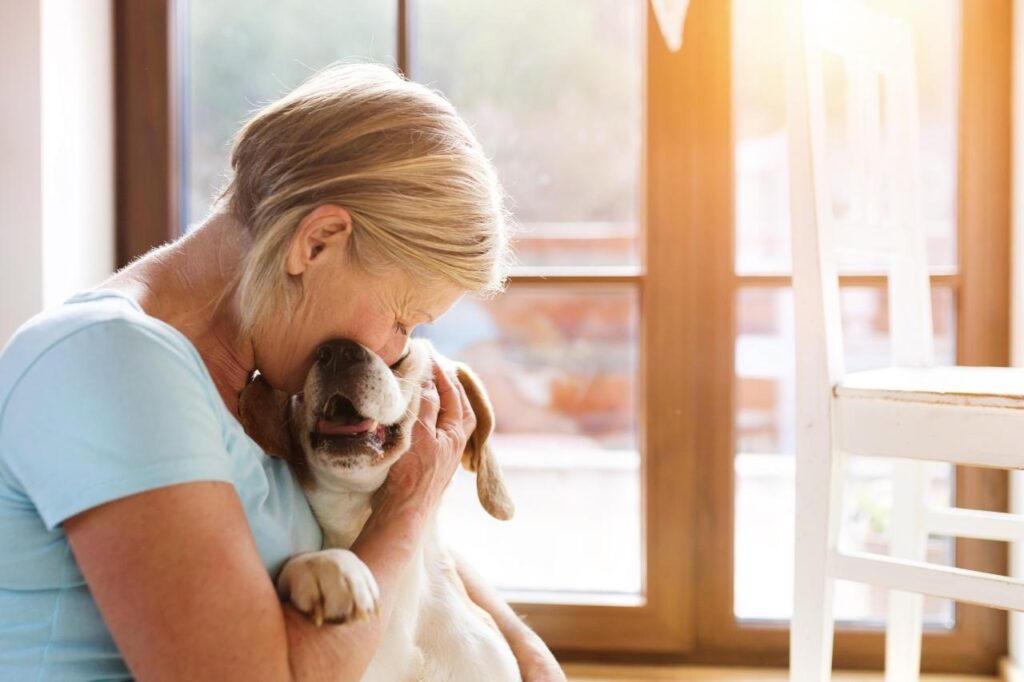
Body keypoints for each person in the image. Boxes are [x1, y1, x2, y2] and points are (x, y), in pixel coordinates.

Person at [0, 62, 564, 681]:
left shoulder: (263, 389)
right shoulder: (112, 364)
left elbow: (386, 553)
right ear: (317, 242)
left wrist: (524, 648)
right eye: (404, 318)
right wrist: (404, 508)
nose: (393, 350)